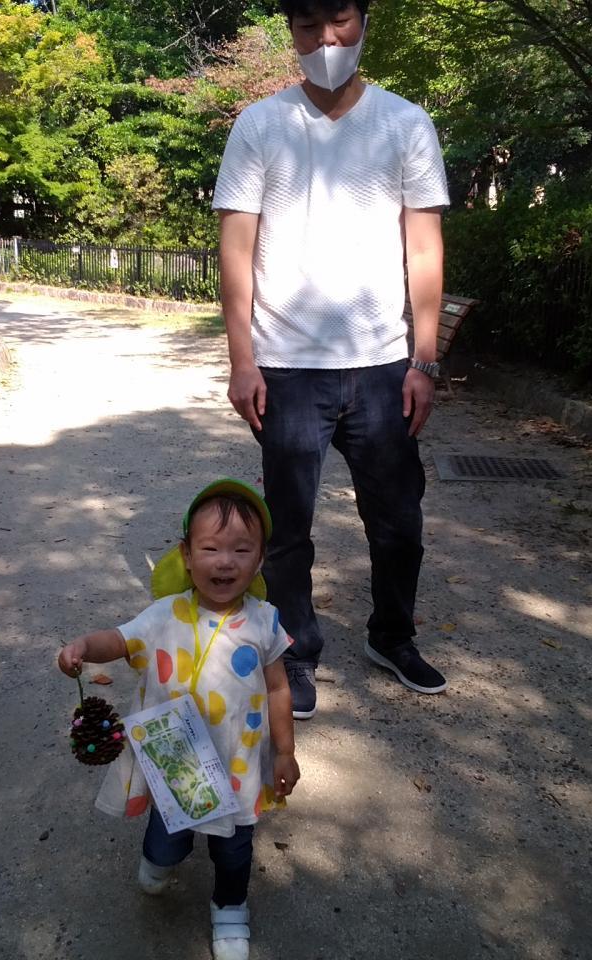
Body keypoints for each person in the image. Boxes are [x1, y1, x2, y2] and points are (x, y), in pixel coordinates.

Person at [213, 0, 451, 720]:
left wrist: (425, 360)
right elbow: (236, 249)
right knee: (287, 530)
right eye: (307, 25)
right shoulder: (260, 124)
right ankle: (296, 652)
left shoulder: (405, 123)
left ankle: (392, 635)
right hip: (286, 367)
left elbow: (423, 248)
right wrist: (242, 361)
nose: (325, 39)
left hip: (382, 367)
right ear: (291, 31)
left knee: (399, 521)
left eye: (339, 20)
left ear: (364, 20)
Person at [57, 479, 299, 960]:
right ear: (187, 555)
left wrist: (286, 751)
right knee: (167, 837)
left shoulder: (265, 621)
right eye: (210, 548)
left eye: (241, 550)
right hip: (175, 767)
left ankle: (229, 907)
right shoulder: (163, 615)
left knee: (234, 850)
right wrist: (84, 646)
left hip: (237, 768)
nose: (225, 562)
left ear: (259, 560)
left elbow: (278, 688)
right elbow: (120, 640)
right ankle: (159, 859)